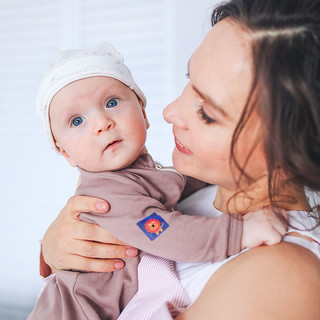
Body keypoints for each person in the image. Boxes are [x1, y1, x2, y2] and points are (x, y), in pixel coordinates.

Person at [37, 0, 320, 318]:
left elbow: (160, 230)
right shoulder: (202, 191)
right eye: (189, 82)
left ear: (288, 145)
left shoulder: (280, 275)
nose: (169, 111)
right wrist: (53, 248)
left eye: (207, 113)